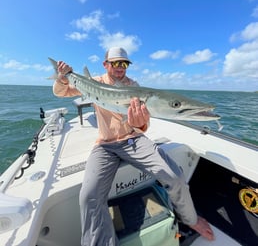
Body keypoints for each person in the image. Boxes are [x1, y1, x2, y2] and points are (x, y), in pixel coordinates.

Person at [53, 47, 215, 246]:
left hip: (134, 141)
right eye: (116, 63)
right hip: (105, 145)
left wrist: (139, 123)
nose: (121, 67)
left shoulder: (135, 87)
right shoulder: (94, 82)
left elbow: (142, 126)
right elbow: (61, 92)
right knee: (89, 196)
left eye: (124, 63)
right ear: (105, 64)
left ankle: (191, 220)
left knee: (175, 176)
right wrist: (62, 77)